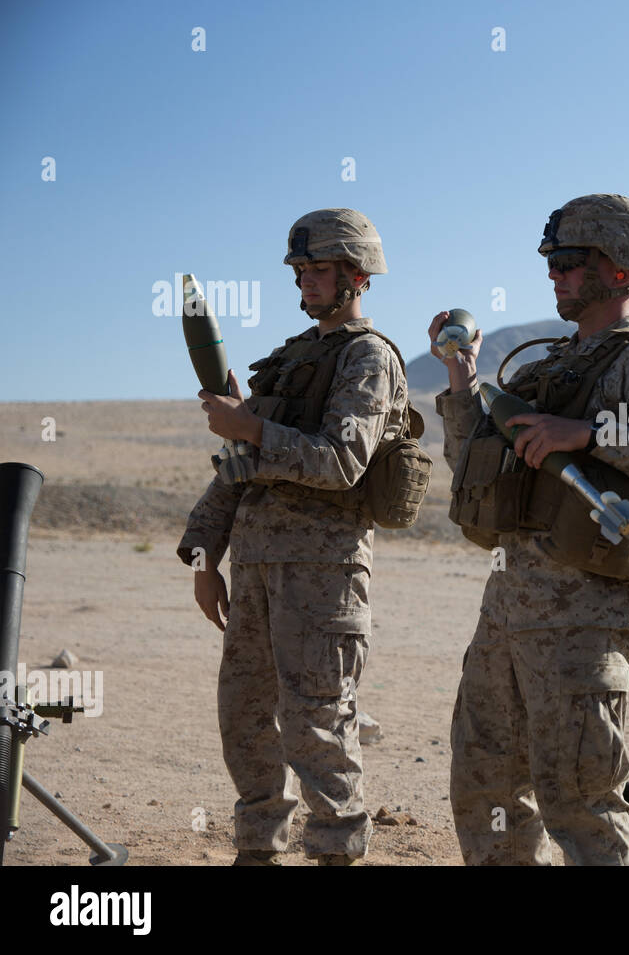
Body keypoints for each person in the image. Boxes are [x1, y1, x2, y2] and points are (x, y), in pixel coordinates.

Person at [432, 194, 629, 865]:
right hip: (505, 613)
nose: (554, 275)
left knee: (581, 800)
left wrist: (588, 433)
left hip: (585, 617)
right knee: (486, 787)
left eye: (567, 261)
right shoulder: (542, 370)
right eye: (551, 262)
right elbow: (471, 466)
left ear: (620, 268)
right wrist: (461, 379)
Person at [178, 208, 408, 865]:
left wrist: (249, 428)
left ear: (356, 277)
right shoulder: (291, 358)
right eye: (300, 271)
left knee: (319, 731)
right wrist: (203, 554)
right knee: (245, 724)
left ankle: (336, 857)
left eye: (318, 270)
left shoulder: (369, 357)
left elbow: (340, 461)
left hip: (322, 577)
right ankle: (258, 855)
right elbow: (238, 469)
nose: (305, 282)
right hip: (254, 574)